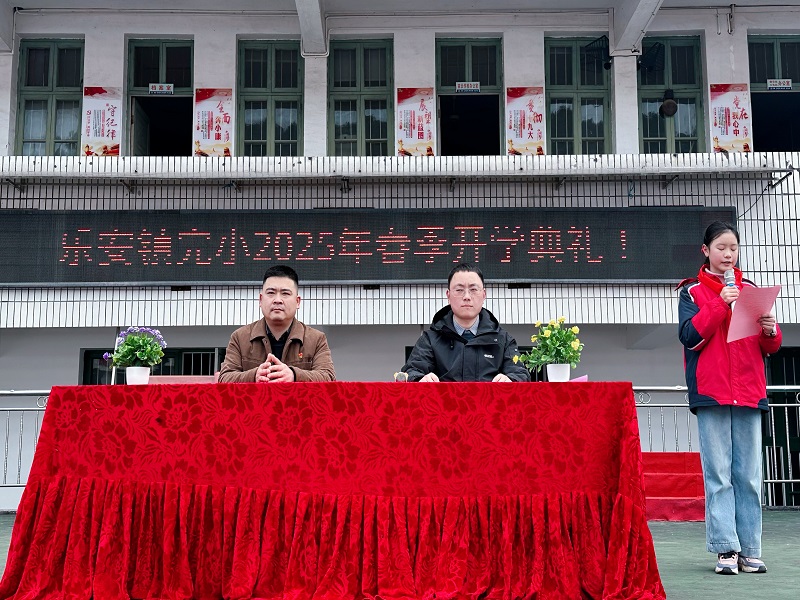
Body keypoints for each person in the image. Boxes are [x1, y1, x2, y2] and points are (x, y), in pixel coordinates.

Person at [677, 221, 781, 575]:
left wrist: (770, 330)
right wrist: (720, 304)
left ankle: (750, 549)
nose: (728, 254)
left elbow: (769, 347)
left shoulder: (750, 289)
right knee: (718, 475)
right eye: (721, 248)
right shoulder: (692, 292)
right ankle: (725, 548)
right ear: (705, 251)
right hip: (713, 392)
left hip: (749, 391)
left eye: (733, 248)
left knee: (749, 475)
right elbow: (690, 337)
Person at [401, 263, 530, 382]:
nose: (467, 296)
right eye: (459, 290)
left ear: (484, 295)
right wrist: (420, 379)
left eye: (473, 290)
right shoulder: (430, 340)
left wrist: (511, 380)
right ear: (448, 295)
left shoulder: (503, 340)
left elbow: (521, 374)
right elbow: (411, 372)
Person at [218, 265, 335, 383]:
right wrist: (254, 376)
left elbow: (328, 377)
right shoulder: (239, 338)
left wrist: (294, 375)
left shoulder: (316, 339)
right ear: (261, 299)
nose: (277, 300)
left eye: (285, 293)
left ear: (297, 302)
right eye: (271, 293)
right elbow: (224, 378)